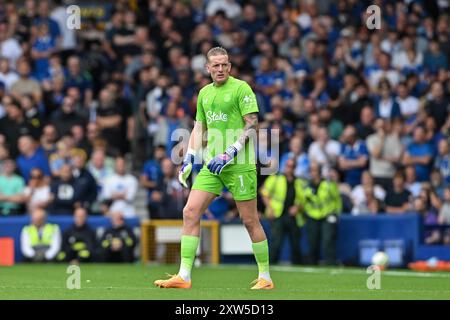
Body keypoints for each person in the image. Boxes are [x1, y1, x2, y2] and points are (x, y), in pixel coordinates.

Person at [154, 47, 274, 290]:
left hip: (239, 164)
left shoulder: (241, 88)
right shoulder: (204, 94)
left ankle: (266, 277)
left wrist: (231, 151)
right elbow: (199, 129)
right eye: (216, 65)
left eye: (224, 65)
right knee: (190, 212)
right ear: (207, 68)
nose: (220, 69)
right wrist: (188, 157)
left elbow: (252, 124)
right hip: (213, 165)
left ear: (230, 66)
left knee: (249, 220)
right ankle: (184, 276)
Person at [260, 158, 304, 265]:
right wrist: (270, 208)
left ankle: (297, 264)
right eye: (288, 166)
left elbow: (302, 198)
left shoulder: (298, 182)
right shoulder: (276, 178)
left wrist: (297, 207)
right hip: (278, 214)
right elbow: (264, 193)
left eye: (292, 166)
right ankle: (272, 264)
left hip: (292, 216)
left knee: (295, 242)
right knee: (276, 241)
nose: (290, 168)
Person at [303, 163, 342, 265]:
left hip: (327, 215)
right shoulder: (306, 185)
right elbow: (303, 201)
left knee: (327, 240)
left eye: (315, 170)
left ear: (319, 172)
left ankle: (331, 263)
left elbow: (337, 199)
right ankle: (312, 264)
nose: (313, 173)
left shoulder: (328, 184)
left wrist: (337, 214)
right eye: (311, 171)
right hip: (312, 215)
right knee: (312, 242)